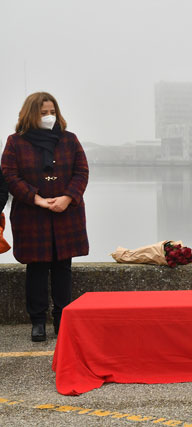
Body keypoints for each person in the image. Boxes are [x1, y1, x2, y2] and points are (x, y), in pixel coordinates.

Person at [1, 92, 89, 342]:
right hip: (31, 214)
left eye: (52, 112)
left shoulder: (69, 140)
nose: (49, 117)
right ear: (31, 114)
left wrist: (67, 197)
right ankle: (37, 321)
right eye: (43, 113)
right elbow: (10, 175)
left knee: (63, 267)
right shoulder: (15, 142)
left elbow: (81, 172)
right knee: (36, 268)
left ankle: (62, 317)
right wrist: (37, 198)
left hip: (66, 213)